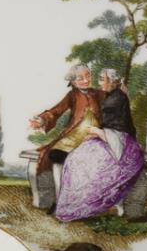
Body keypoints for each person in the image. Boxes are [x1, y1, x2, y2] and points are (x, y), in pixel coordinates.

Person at [51, 68, 145, 222]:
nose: (98, 82)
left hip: (120, 143)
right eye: (99, 78)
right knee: (76, 158)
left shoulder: (116, 99)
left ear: (111, 81)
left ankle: (80, 206)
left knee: (89, 163)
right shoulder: (109, 94)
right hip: (107, 137)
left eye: (102, 79)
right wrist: (95, 133)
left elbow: (119, 129)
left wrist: (96, 132)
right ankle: (74, 204)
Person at [28, 63, 104, 208]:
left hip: (93, 137)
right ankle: (59, 199)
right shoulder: (72, 95)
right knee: (55, 156)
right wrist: (42, 119)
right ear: (73, 82)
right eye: (80, 78)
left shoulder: (99, 94)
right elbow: (56, 110)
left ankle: (82, 202)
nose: (86, 80)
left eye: (88, 76)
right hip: (72, 136)